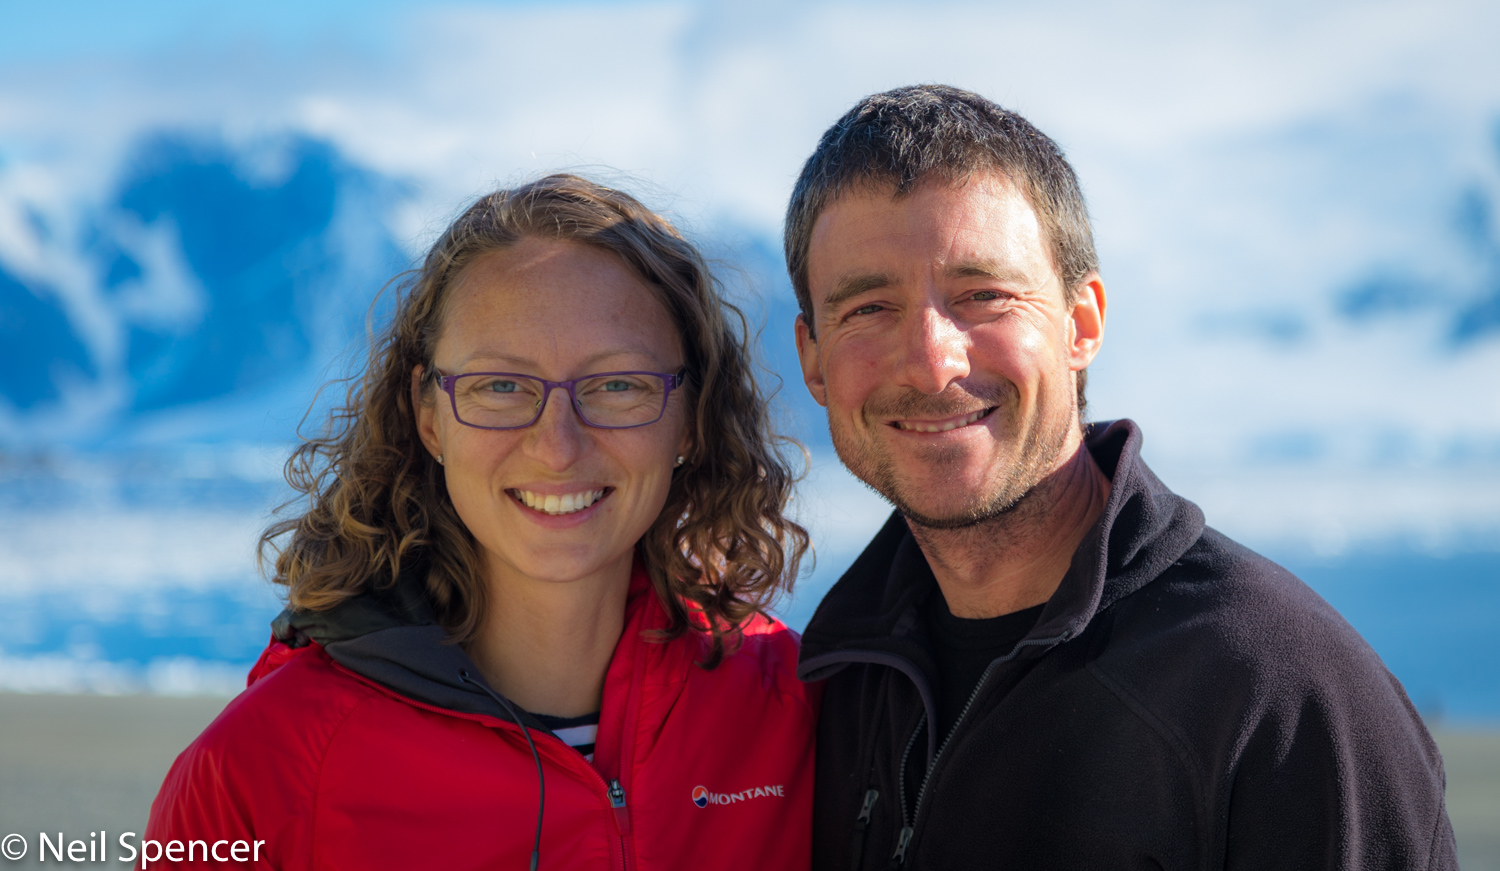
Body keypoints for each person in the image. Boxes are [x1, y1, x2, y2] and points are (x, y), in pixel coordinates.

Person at [788, 85, 1457, 869]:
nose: (933, 363)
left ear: (1082, 323)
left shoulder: (1274, 696)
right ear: (812, 360)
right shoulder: (828, 691)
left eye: (984, 296)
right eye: (869, 308)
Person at [144, 174, 817, 870]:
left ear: (692, 417)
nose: (557, 446)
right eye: (500, 385)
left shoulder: (798, 714)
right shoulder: (261, 770)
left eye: (618, 384)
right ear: (428, 417)